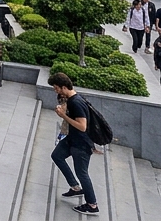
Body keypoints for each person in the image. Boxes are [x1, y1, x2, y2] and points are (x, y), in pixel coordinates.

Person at [49, 72, 99, 216]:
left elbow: (82, 126)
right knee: (57, 155)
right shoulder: (72, 99)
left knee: (82, 174)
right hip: (72, 139)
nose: (55, 91)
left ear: (64, 87)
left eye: (56, 88)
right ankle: (75, 187)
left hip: (81, 144)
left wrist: (63, 115)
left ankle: (92, 204)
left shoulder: (76, 102)